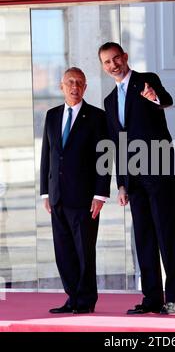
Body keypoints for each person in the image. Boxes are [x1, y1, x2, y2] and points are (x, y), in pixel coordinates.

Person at [98, 42, 175, 315]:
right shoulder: (109, 101)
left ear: (125, 57)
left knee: (165, 234)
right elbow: (115, 143)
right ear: (104, 67)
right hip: (133, 179)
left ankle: (173, 299)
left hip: (159, 168)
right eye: (107, 62)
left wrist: (154, 97)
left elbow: (166, 100)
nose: (113, 65)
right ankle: (151, 299)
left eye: (116, 59)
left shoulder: (148, 80)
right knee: (144, 237)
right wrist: (120, 183)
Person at [40, 67, 111, 314]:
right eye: (70, 82)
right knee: (64, 252)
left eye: (80, 82)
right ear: (62, 86)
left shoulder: (96, 117)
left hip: (84, 198)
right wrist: (45, 192)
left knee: (84, 251)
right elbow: (46, 156)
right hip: (57, 196)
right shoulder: (51, 115)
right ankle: (72, 297)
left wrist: (101, 194)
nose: (75, 86)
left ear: (85, 87)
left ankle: (86, 300)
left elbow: (105, 157)